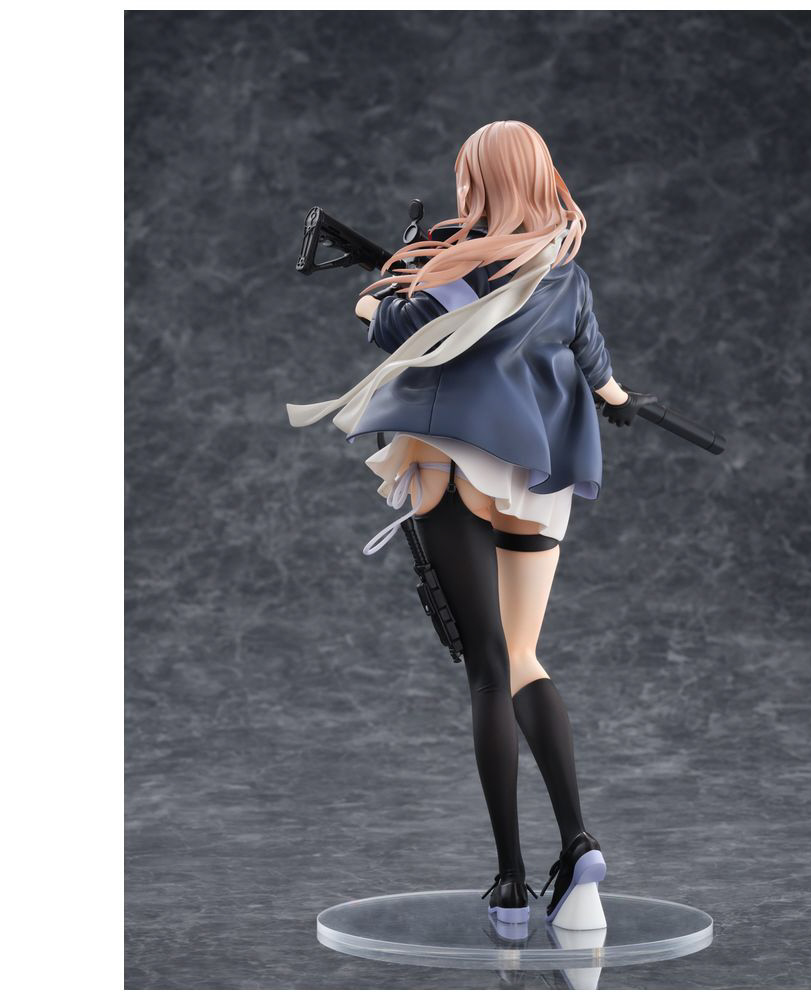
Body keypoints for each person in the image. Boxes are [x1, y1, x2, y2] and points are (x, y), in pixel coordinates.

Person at [286, 120, 655, 927]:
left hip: (457, 466)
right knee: (524, 656)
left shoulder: (460, 270)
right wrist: (622, 403)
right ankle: (579, 842)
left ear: (476, 182)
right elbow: (594, 359)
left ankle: (513, 883)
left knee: (488, 668)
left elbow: (398, 327)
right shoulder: (565, 272)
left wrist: (372, 295)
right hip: (537, 481)